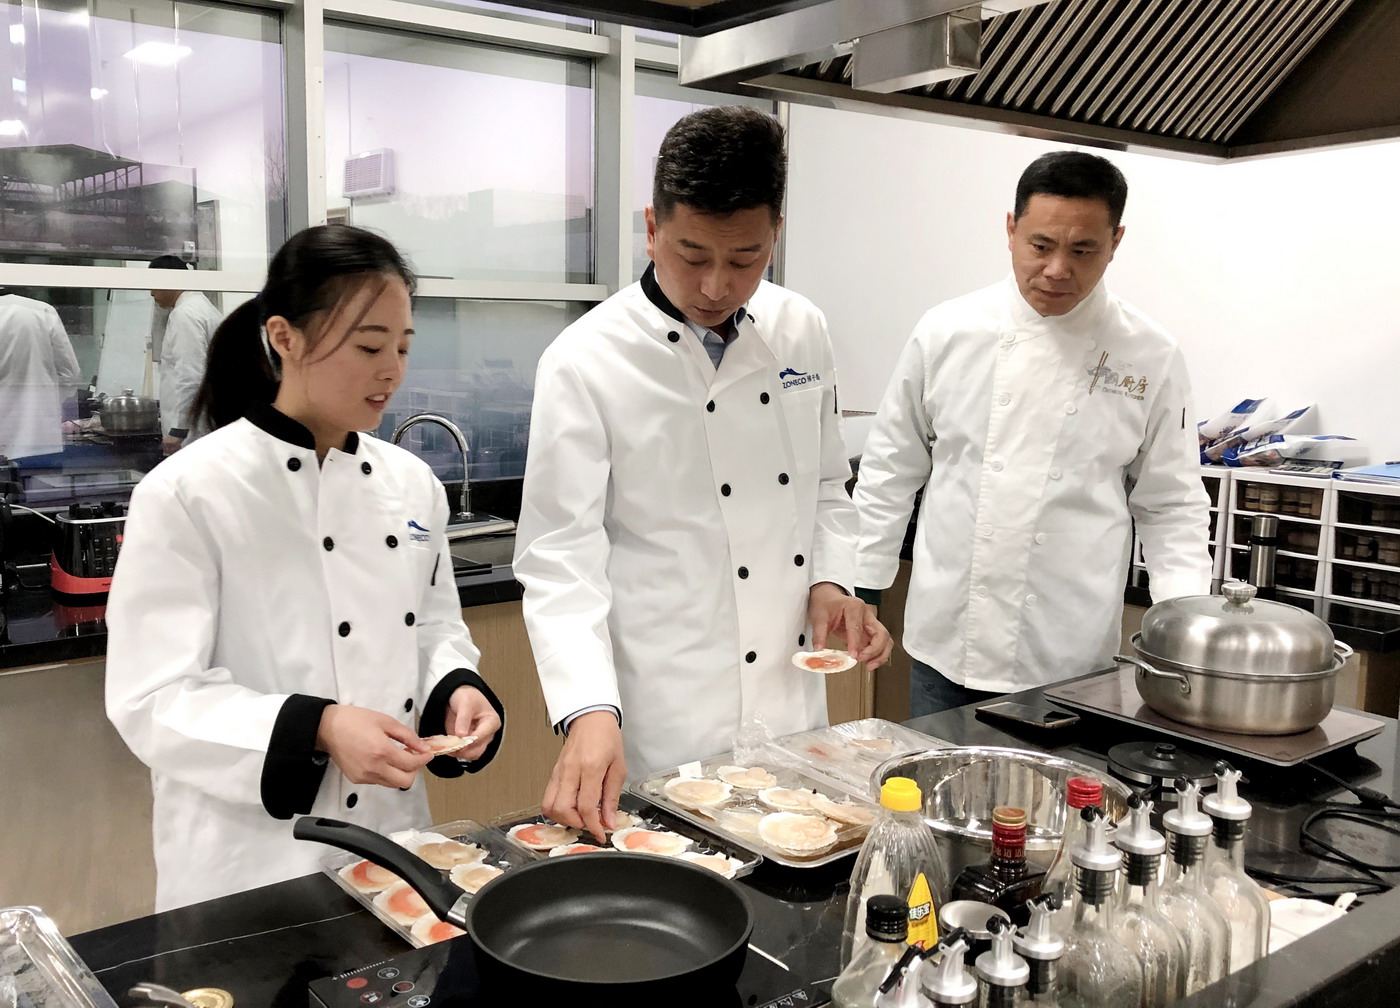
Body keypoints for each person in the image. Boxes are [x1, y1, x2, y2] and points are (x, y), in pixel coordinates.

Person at [513, 106, 892, 842]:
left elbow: (823, 485)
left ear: (775, 234)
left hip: (789, 697)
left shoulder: (802, 329)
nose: (717, 285)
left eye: (745, 259)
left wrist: (831, 582)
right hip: (665, 709)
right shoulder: (585, 360)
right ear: (652, 228)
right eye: (692, 255)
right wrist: (588, 709)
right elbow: (560, 558)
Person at [106, 225, 504, 911]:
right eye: (369, 347)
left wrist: (454, 688)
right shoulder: (189, 493)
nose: (392, 371)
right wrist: (318, 726)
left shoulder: (412, 485)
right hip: (247, 859)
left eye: (403, 347)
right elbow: (154, 697)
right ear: (284, 337)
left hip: (391, 839)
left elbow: (433, 628)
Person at [854, 151, 1213, 717]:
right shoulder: (948, 331)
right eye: (1041, 246)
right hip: (948, 642)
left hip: (1071, 655)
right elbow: (891, 468)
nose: (1057, 270)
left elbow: (1171, 503)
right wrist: (862, 586)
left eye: (1083, 250)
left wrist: (1184, 627)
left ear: (1115, 242)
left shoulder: (1149, 354)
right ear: (1010, 229)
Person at [149, 255, 224, 454]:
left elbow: (191, 375)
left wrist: (179, 430)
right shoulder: (201, 308)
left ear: (168, 281)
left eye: (153, 286)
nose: (151, 293)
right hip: (201, 424)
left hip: (191, 433)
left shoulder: (185, 315)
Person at [0, 289, 80, 461]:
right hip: (38, 439)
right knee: (38, 477)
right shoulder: (41, 311)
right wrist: (44, 402)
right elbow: (70, 374)